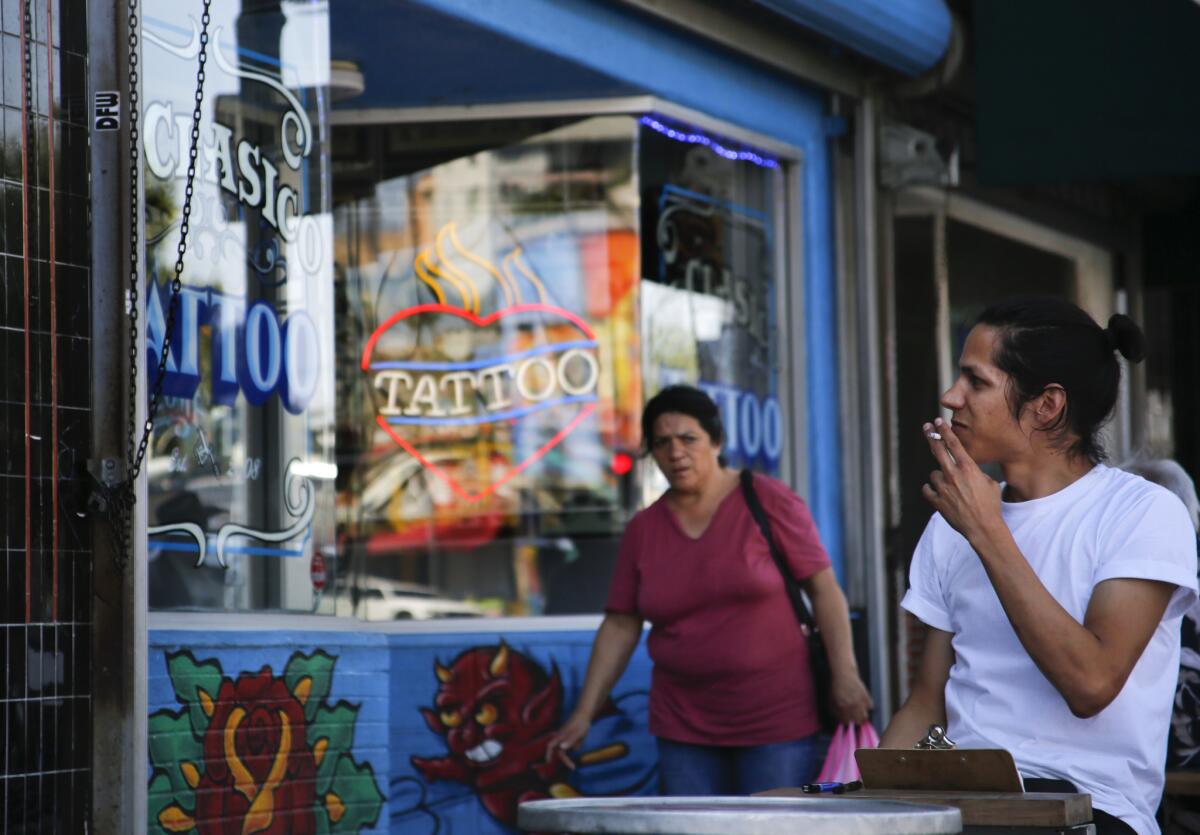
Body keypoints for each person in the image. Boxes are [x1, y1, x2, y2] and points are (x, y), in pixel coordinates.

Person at [880, 297, 1198, 835]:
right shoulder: (953, 522)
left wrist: (988, 531)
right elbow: (925, 704)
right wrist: (862, 804)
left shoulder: (1142, 512)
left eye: (975, 382)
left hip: (1087, 810)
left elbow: (1090, 684)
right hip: (962, 802)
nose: (950, 397)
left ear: (1046, 405)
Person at [545, 385, 872, 796]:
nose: (675, 452)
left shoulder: (768, 500)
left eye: (688, 439)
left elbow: (825, 591)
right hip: (683, 727)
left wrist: (846, 674)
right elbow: (620, 625)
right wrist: (583, 714)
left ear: (716, 441)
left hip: (777, 722)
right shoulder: (643, 530)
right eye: (662, 443)